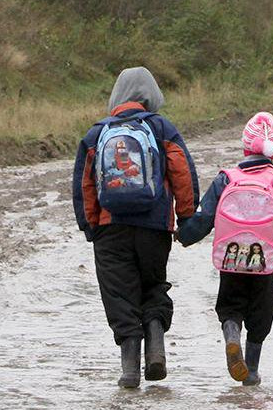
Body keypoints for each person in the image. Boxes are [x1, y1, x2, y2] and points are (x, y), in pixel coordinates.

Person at [73, 67, 199, 389]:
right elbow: (182, 173)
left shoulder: (96, 133)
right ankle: (155, 345)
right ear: (151, 95)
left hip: (110, 227)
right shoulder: (161, 127)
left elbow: (84, 184)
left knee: (119, 294)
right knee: (153, 285)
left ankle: (130, 371)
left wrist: (91, 227)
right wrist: (185, 218)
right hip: (154, 226)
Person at [178, 111, 273, 386]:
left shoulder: (225, 178)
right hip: (263, 259)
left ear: (244, 146)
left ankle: (231, 336)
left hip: (230, 257)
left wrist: (184, 236)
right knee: (261, 312)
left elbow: (205, 216)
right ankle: (251, 369)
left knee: (230, 305)